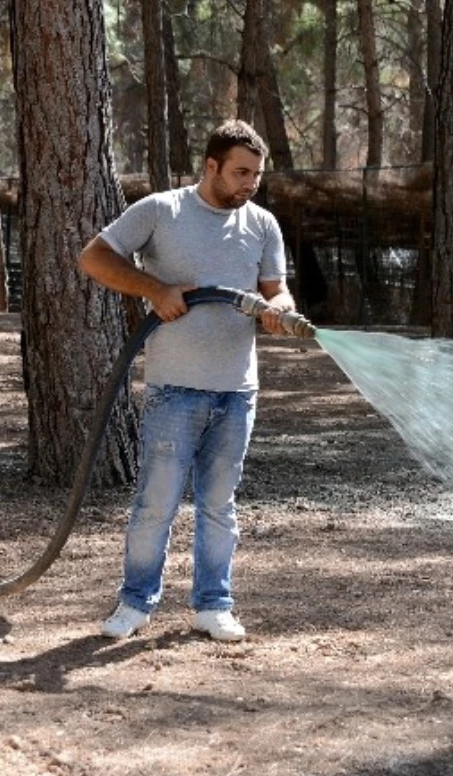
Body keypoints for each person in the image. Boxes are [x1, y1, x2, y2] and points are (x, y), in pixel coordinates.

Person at [78, 119, 298, 643]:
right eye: (241, 172)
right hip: (175, 389)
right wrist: (155, 289)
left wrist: (279, 310)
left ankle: (213, 605)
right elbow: (94, 257)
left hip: (237, 390)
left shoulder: (263, 224)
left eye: (258, 175)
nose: (250, 183)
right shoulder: (162, 210)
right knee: (156, 503)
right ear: (211, 166)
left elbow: (279, 290)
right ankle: (134, 604)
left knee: (220, 505)